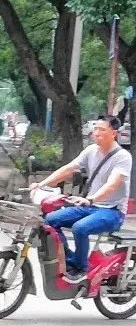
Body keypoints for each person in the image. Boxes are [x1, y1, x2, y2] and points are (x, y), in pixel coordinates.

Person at [31, 115, 133, 283]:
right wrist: (41, 184)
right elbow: (68, 169)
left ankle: (81, 269)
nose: (96, 133)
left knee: (80, 228)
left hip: (113, 212)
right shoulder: (91, 151)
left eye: (102, 130)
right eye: (95, 129)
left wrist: (91, 199)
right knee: (50, 221)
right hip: (91, 206)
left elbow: (113, 184)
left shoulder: (122, 157)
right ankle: (70, 260)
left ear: (114, 133)